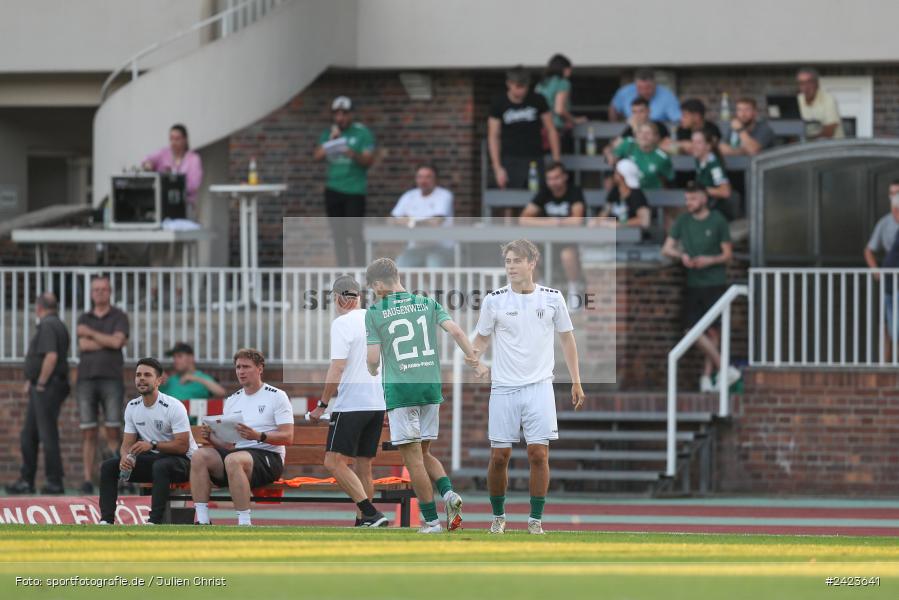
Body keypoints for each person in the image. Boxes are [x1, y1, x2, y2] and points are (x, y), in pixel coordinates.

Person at [470, 239, 585, 535]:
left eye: (517, 261)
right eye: (507, 261)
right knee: (499, 456)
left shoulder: (552, 298)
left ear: (532, 263)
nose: (511, 266)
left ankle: (535, 520)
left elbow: (567, 339)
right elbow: (480, 339)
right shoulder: (494, 300)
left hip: (539, 387)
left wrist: (576, 380)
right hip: (504, 388)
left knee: (538, 454)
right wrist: (475, 359)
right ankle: (498, 517)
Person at [364, 258, 485, 533]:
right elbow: (455, 330)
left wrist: (371, 369)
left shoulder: (375, 312)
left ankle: (431, 522)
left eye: (373, 287)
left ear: (380, 284)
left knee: (412, 458)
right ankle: (449, 493)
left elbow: (372, 357)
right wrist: (474, 360)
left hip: (401, 390)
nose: (373, 292)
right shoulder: (427, 303)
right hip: (430, 387)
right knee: (426, 451)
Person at [309, 276, 389, 527]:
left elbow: (338, 367)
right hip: (376, 404)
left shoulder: (342, 323)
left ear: (336, 298)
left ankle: (371, 512)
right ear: (360, 297)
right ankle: (363, 521)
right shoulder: (376, 319)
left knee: (333, 461)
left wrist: (322, 405)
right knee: (364, 465)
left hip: (352, 404)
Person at [191, 348, 294, 526]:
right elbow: (229, 446)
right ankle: (202, 519)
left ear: (260, 368)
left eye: (246, 367)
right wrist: (212, 438)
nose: (241, 371)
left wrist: (258, 436)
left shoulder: (277, 396)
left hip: (268, 457)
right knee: (199, 455)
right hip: (237, 455)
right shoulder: (232, 400)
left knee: (233, 460)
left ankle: (244, 523)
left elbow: (288, 437)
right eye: (238, 367)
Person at [98, 358, 197, 525]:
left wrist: (152, 445)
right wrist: (124, 457)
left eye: (147, 375)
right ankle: (106, 521)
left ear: (159, 380)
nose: (141, 379)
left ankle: (154, 522)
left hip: (184, 462)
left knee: (161, 466)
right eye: (138, 375)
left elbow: (182, 446)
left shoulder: (174, 406)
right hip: (156, 460)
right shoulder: (132, 406)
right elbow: (127, 444)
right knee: (109, 466)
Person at [661, 182, 740, 392]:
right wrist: (682, 256)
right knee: (691, 328)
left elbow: (727, 254)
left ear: (704, 198)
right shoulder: (683, 221)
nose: (689, 203)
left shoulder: (718, 221)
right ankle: (725, 368)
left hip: (714, 283)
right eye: (687, 199)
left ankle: (707, 378)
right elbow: (667, 248)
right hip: (693, 283)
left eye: (693, 198)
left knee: (713, 333)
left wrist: (708, 260)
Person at [6, 293, 70, 495]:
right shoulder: (56, 323)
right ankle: (27, 479)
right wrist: (32, 381)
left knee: (46, 434)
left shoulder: (48, 325)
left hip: (47, 387)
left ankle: (54, 481)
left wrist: (40, 382)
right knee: (29, 435)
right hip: (43, 386)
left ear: (39, 307)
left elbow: (51, 357)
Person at [76, 275, 129, 494]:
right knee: (88, 432)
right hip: (86, 380)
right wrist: (105, 340)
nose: (99, 292)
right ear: (90, 293)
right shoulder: (84, 316)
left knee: (113, 430)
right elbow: (83, 344)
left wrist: (92, 335)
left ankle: (117, 478)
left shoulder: (119, 316)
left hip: (112, 379)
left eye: (103, 289)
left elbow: (118, 342)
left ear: (110, 292)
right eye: (95, 289)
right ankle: (88, 479)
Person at [313, 96, 376, 267]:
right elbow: (316, 155)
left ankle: (362, 271)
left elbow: (368, 161)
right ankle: (343, 272)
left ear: (351, 114)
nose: (340, 117)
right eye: (337, 114)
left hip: (355, 190)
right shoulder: (329, 133)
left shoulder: (362, 133)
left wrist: (352, 153)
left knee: (355, 232)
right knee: (338, 233)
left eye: (344, 113)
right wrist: (331, 142)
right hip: (333, 189)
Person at [519, 162, 586, 307]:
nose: (553, 182)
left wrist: (558, 223)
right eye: (550, 179)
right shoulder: (544, 192)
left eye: (556, 178)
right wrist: (550, 222)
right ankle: (541, 292)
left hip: (570, 242)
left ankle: (574, 292)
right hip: (546, 242)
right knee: (527, 256)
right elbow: (523, 218)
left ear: (565, 177)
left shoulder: (574, 191)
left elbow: (578, 219)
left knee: (567, 256)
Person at [488, 66, 560, 191]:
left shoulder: (538, 100)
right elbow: (493, 135)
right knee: (509, 200)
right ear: (509, 84)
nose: (521, 91)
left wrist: (556, 159)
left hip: (535, 157)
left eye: (524, 87)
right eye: (518, 86)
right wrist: (497, 167)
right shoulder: (498, 103)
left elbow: (551, 130)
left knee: (536, 198)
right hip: (509, 159)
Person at [389, 164, 455, 268]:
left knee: (434, 265)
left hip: (441, 247)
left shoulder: (444, 195)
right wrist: (419, 223)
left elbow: (436, 221)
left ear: (436, 179)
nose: (423, 181)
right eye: (420, 177)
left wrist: (410, 221)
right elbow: (392, 220)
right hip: (415, 247)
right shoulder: (409, 196)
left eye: (428, 177)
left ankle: (439, 285)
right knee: (398, 267)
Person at [863, 181, 899, 361]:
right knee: (889, 321)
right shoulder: (884, 222)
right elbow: (869, 249)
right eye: (892, 194)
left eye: (898, 193)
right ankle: (887, 363)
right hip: (890, 282)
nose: (895, 197)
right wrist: (875, 270)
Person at [142, 123, 204, 210]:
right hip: (162, 203)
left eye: (177, 139)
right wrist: (148, 165)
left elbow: (193, 186)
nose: (173, 142)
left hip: (185, 204)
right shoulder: (163, 153)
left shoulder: (193, 159)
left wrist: (173, 180)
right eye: (171, 139)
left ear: (185, 140)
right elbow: (146, 160)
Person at [535, 53, 584, 150]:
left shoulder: (541, 84)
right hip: (555, 129)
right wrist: (574, 120)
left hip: (539, 127)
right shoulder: (563, 83)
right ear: (564, 69)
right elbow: (559, 110)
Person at [591, 159, 651, 234]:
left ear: (622, 176)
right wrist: (597, 221)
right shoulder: (615, 191)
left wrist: (619, 224)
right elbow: (605, 211)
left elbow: (644, 221)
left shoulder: (637, 194)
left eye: (617, 172)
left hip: (632, 235)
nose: (614, 174)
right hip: (613, 235)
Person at [612, 122, 674, 189]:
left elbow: (668, 181)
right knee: (624, 164)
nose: (643, 136)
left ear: (656, 137)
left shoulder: (662, 157)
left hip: (653, 194)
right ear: (636, 135)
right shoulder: (628, 144)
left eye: (648, 133)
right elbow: (612, 160)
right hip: (628, 192)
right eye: (640, 132)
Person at [159, 342, 227, 402]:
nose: (175, 360)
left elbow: (222, 393)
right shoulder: (170, 380)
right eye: (174, 357)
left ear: (191, 358)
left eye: (179, 356)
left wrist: (194, 378)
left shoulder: (201, 378)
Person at [608, 69, 681, 123]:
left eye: (648, 88)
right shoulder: (625, 92)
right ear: (635, 85)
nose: (644, 92)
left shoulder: (667, 96)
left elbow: (677, 119)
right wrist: (615, 126)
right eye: (640, 88)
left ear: (655, 84)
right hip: (630, 130)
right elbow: (614, 108)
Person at [690, 129, 733, 219]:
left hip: (715, 211)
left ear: (708, 146)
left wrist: (702, 190)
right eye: (692, 142)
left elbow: (725, 192)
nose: (693, 146)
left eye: (698, 143)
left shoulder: (714, 166)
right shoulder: (699, 161)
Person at [796, 67, 844, 140]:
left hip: (831, 148)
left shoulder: (828, 99)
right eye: (802, 83)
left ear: (816, 83)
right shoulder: (798, 100)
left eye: (809, 82)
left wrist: (806, 138)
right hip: (805, 148)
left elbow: (830, 130)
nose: (805, 87)